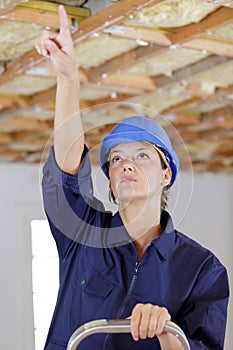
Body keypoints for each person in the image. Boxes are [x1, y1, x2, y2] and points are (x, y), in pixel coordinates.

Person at [35, 5, 229, 350]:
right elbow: (66, 170)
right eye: (116, 159)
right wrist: (67, 78)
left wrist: (168, 330)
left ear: (166, 173)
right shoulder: (82, 235)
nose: (127, 165)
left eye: (142, 156)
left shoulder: (202, 268)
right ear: (108, 179)